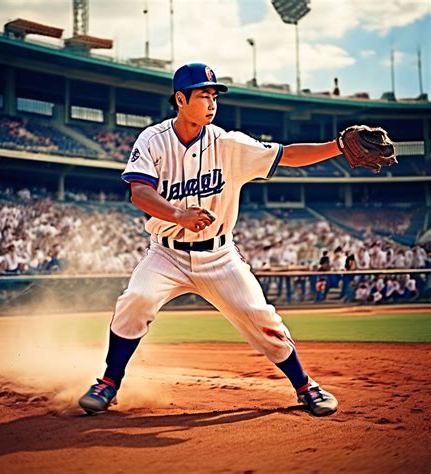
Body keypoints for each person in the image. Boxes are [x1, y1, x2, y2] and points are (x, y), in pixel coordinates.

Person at [79, 63, 341, 417]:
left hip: (219, 256)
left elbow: (288, 155)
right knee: (136, 299)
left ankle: (305, 386)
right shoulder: (153, 140)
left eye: (214, 95)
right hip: (166, 254)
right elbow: (139, 192)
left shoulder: (229, 144)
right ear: (180, 99)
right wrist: (177, 215)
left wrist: (338, 146)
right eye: (203, 95)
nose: (212, 101)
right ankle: (108, 383)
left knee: (261, 318)